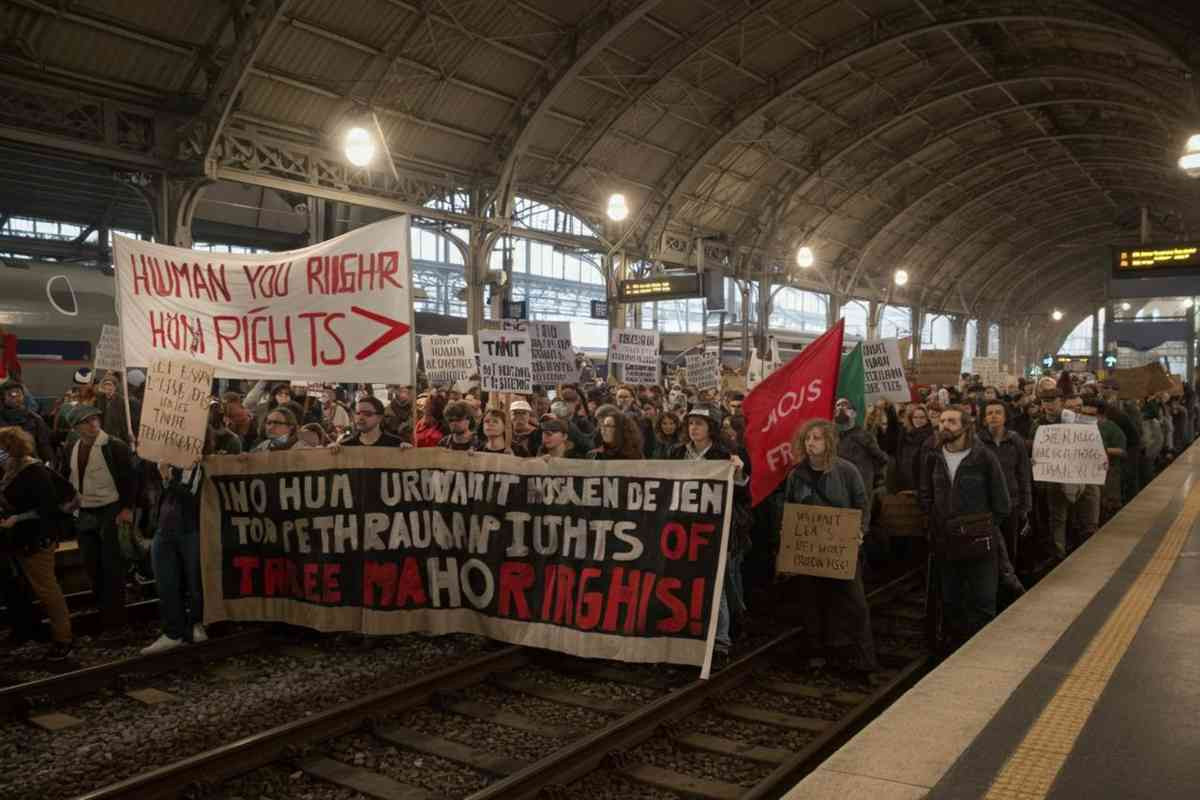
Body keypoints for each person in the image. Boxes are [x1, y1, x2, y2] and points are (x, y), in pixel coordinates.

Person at [780, 418, 877, 674]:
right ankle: (817, 653)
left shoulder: (847, 470)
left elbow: (862, 503)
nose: (811, 443)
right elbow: (789, 509)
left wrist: (859, 532)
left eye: (817, 438)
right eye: (808, 439)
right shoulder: (796, 475)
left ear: (829, 442)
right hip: (809, 551)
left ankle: (861, 657)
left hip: (841, 548)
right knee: (811, 602)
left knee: (853, 603)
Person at [919, 405, 1011, 646]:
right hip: (946, 540)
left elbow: (1001, 502)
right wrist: (934, 522)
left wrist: (983, 527)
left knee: (982, 599)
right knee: (950, 598)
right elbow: (926, 495)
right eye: (942, 421)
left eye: (951, 421)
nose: (944, 426)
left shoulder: (983, 457)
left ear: (965, 427)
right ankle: (954, 648)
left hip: (979, 541)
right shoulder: (933, 457)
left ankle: (981, 646)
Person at [670, 406, 748, 656]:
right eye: (691, 423)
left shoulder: (724, 455)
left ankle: (721, 641)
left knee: (716, 584)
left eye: (700, 424)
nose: (694, 428)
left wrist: (737, 473)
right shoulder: (676, 453)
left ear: (711, 427)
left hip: (715, 528)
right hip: (682, 527)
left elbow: (742, 496)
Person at [0, 426, 74, 658]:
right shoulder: (13, 468)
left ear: (10, 448)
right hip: (23, 538)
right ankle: (37, 631)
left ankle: (64, 639)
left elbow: (48, 508)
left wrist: (17, 518)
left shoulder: (33, 470)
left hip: (36, 538)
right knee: (34, 588)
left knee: (47, 590)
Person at [64, 404, 136, 629]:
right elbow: (72, 475)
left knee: (112, 565)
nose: (93, 424)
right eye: (87, 421)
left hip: (110, 509)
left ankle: (116, 619)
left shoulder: (114, 446)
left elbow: (130, 479)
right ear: (76, 427)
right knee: (92, 563)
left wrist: (127, 508)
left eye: (95, 419)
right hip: (85, 510)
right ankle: (104, 609)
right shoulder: (73, 446)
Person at [142, 438, 214, 654]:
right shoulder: (164, 463)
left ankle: (196, 623)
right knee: (166, 581)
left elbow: (192, 499)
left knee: (195, 581)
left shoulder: (202, 466)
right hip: (165, 529)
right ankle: (173, 631)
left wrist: (167, 478)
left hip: (191, 529)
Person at [979, 400, 1031, 594]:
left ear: (1005, 417)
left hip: (1012, 502)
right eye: (989, 412)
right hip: (986, 504)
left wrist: (1027, 505)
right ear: (984, 418)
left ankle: (1008, 586)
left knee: (1010, 546)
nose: (993, 416)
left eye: (998, 412)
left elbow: (1023, 472)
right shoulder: (977, 441)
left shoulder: (1015, 440)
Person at [834, 397, 889, 530]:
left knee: (859, 529)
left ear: (854, 414)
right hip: (838, 490)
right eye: (837, 407)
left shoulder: (865, 436)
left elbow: (882, 459)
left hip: (861, 490)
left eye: (845, 407)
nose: (840, 410)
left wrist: (875, 480)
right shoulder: (832, 436)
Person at [0, 379, 53, 463]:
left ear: (23, 396)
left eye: (18, 393)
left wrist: (48, 463)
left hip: (30, 464)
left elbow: (44, 445)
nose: (15, 397)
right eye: (11, 395)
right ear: (3, 398)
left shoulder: (35, 419)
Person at [340, 397, 406, 447]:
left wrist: (408, 452)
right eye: (357, 413)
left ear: (380, 418)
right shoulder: (346, 444)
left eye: (367, 414)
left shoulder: (395, 444)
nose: (360, 417)